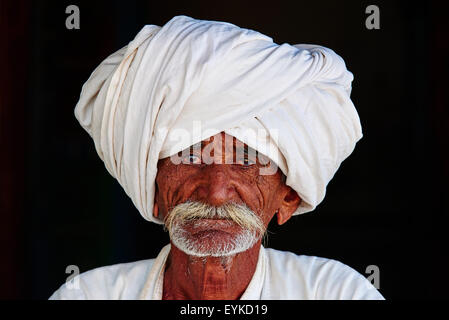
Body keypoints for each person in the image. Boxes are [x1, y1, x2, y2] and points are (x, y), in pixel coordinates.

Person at [49, 15, 384, 300]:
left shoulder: (337, 293)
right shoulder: (87, 294)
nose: (216, 192)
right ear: (151, 188)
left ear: (288, 197)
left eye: (248, 160)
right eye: (189, 155)